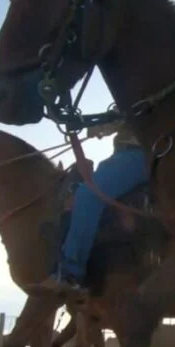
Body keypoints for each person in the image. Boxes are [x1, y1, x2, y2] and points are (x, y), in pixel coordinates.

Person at [48, 121, 147, 296]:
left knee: (88, 195)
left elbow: (131, 112)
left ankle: (71, 274)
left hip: (142, 153)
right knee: (76, 194)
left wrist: (101, 127)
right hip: (124, 156)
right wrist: (100, 126)